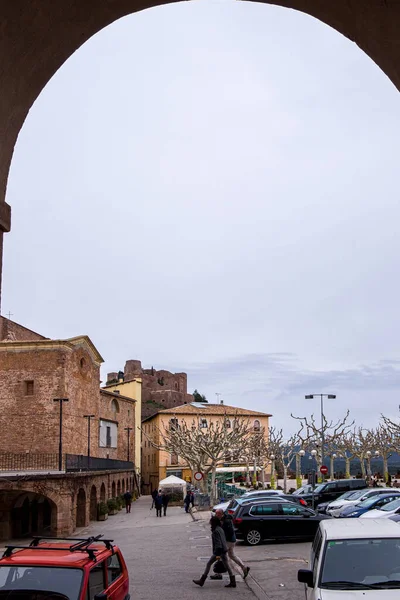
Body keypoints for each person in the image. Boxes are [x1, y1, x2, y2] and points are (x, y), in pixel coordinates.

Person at [193, 516, 236, 588]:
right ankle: (233, 581)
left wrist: (217, 555)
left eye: (211, 522)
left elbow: (218, 544)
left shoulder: (215, 531)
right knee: (227, 566)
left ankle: (202, 580)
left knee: (209, 563)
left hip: (219, 551)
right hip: (224, 549)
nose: (210, 524)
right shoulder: (220, 528)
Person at [214, 508, 250, 579]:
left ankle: (219, 573)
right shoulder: (225, 519)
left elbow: (228, 532)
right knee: (232, 555)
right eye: (216, 514)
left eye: (217, 514)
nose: (216, 515)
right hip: (232, 540)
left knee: (221, 555)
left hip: (228, 541)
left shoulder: (226, 521)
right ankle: (244, 567)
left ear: (221, 514)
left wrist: (222, 540)